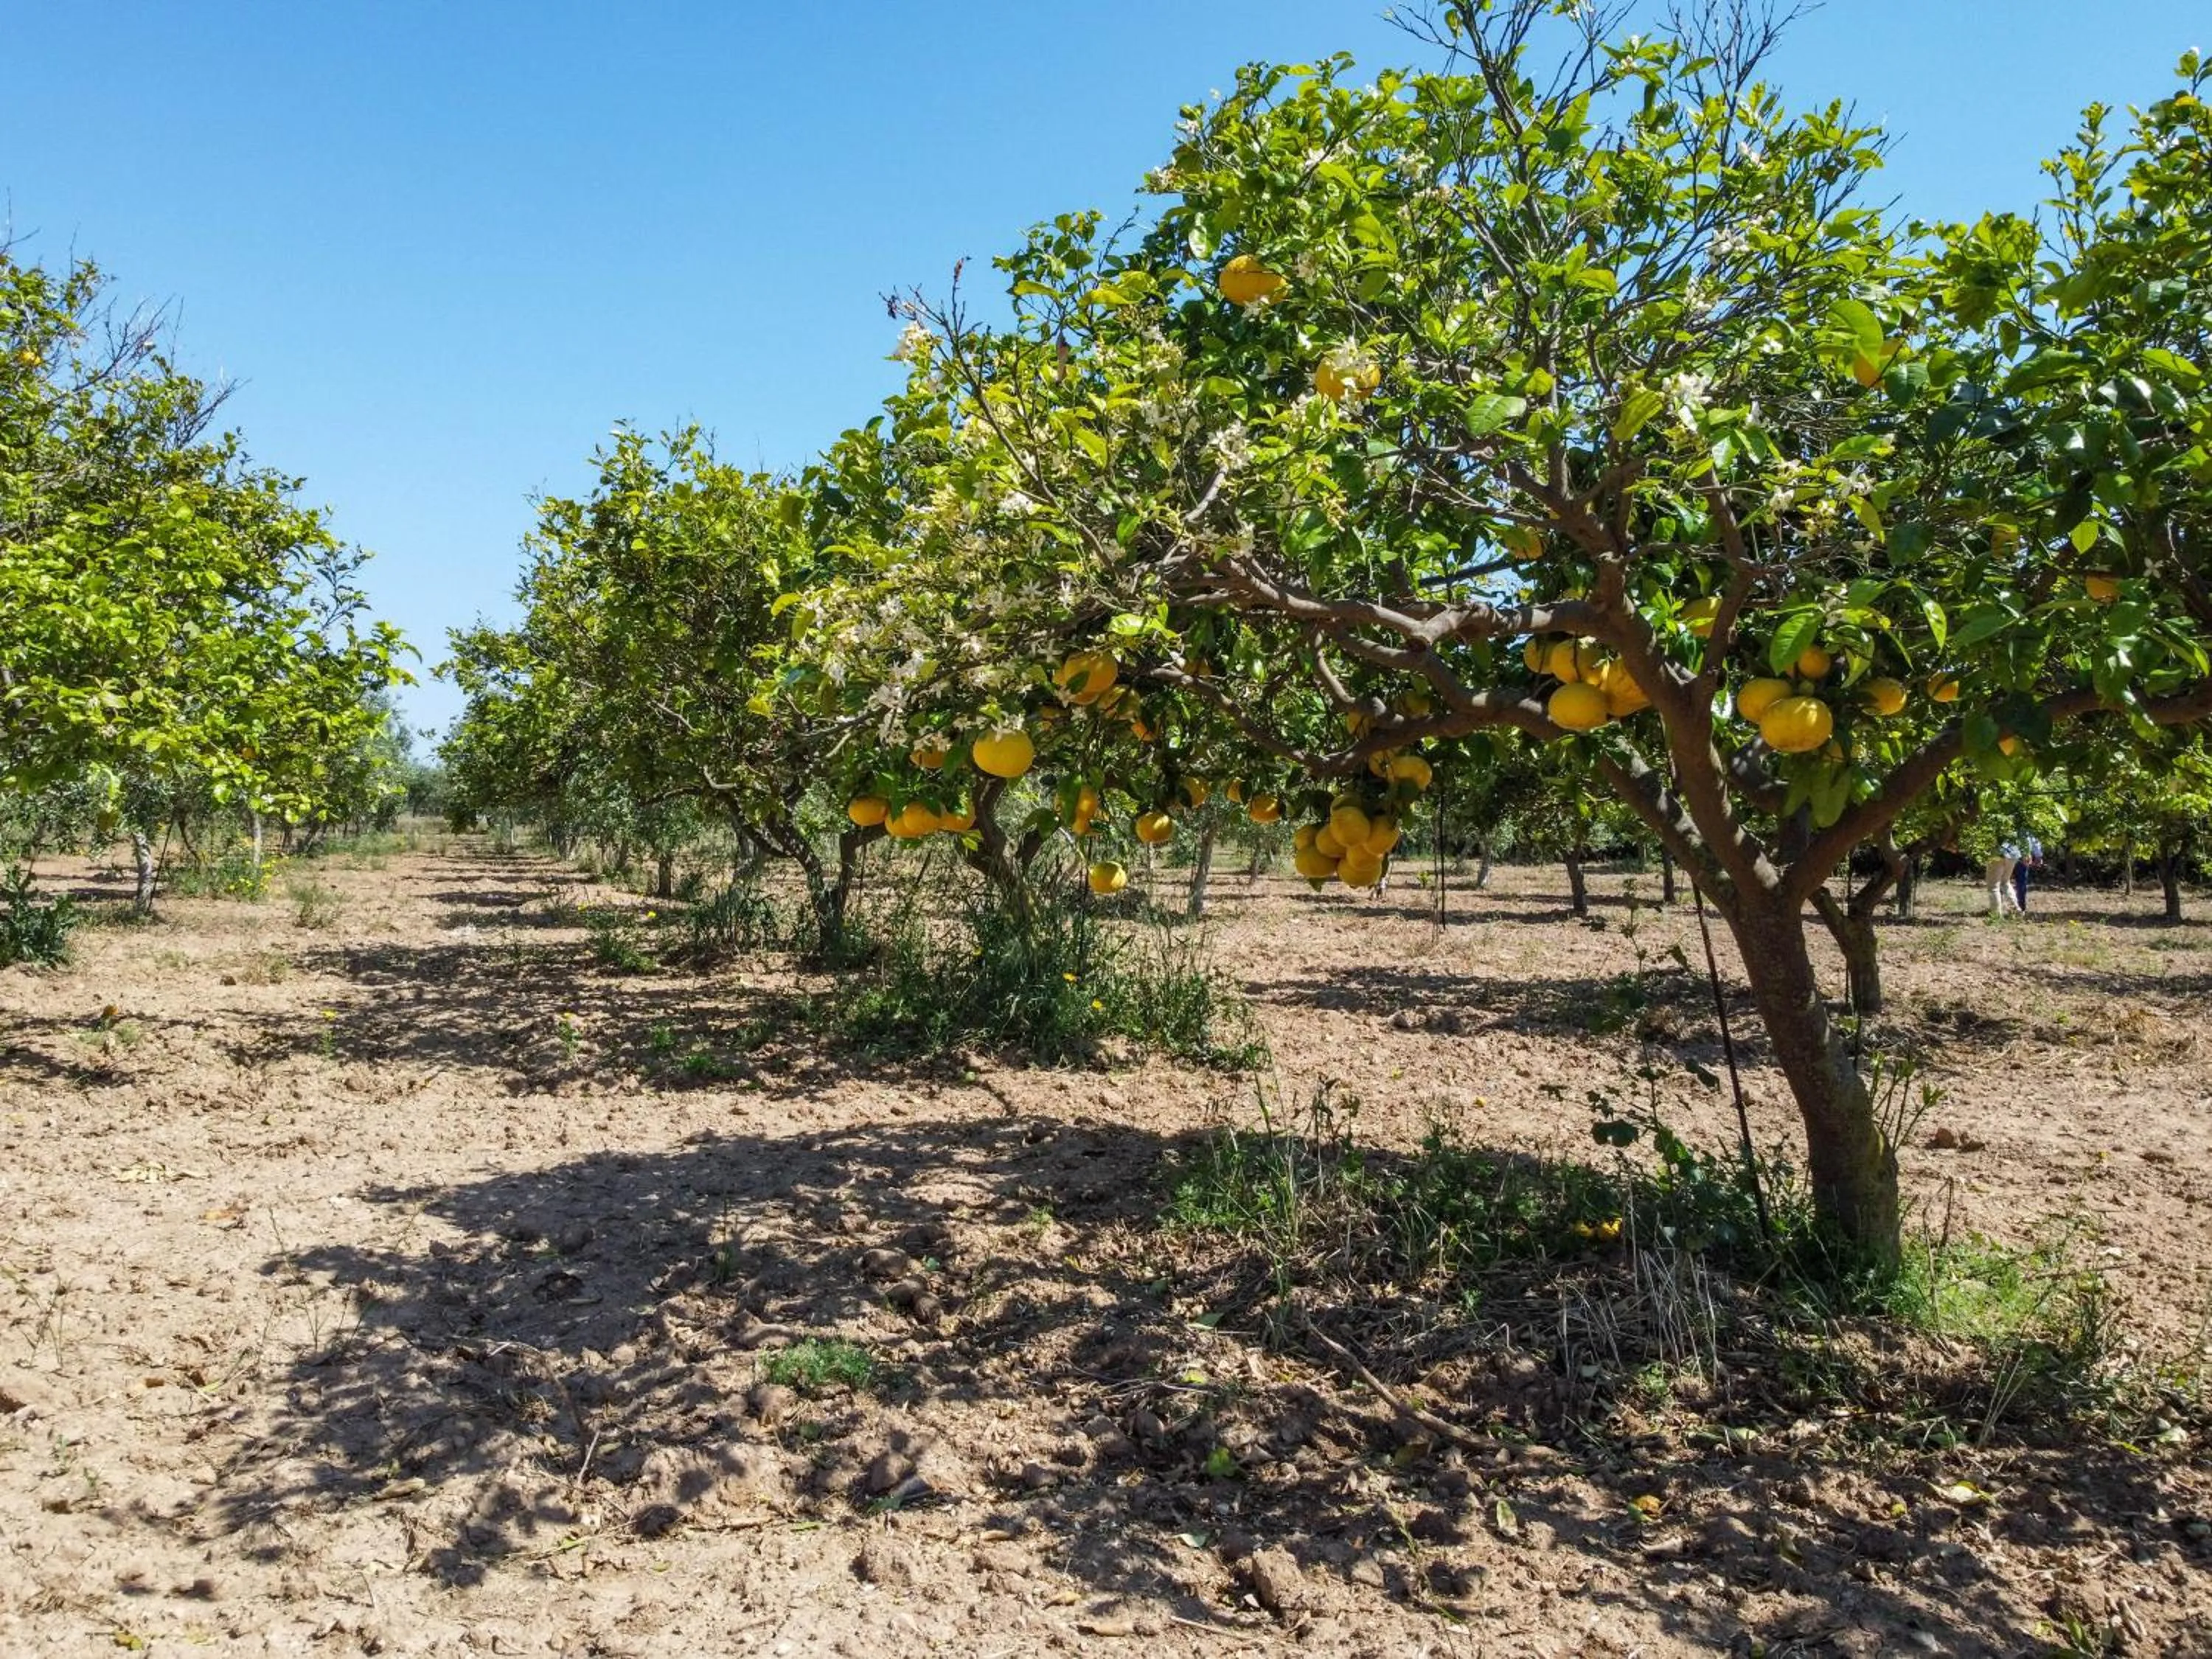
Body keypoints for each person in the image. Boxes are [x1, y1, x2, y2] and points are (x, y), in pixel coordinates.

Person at [1988, 840, 2023, 918]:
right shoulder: (2013, 828)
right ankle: (2015, 907)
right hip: (2013, 852)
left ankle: (1996, 915)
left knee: (1993, 886)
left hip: (1997, 852)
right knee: (2005, 882)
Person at [2014, 833, 2042, 914]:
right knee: (2021, 882)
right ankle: (2021, 907)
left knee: (2003, 881)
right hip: (2023, 855)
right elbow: (2034, 841)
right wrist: (2038, 856)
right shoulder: (2028, 825)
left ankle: (1999, 907)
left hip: (2009, 854)